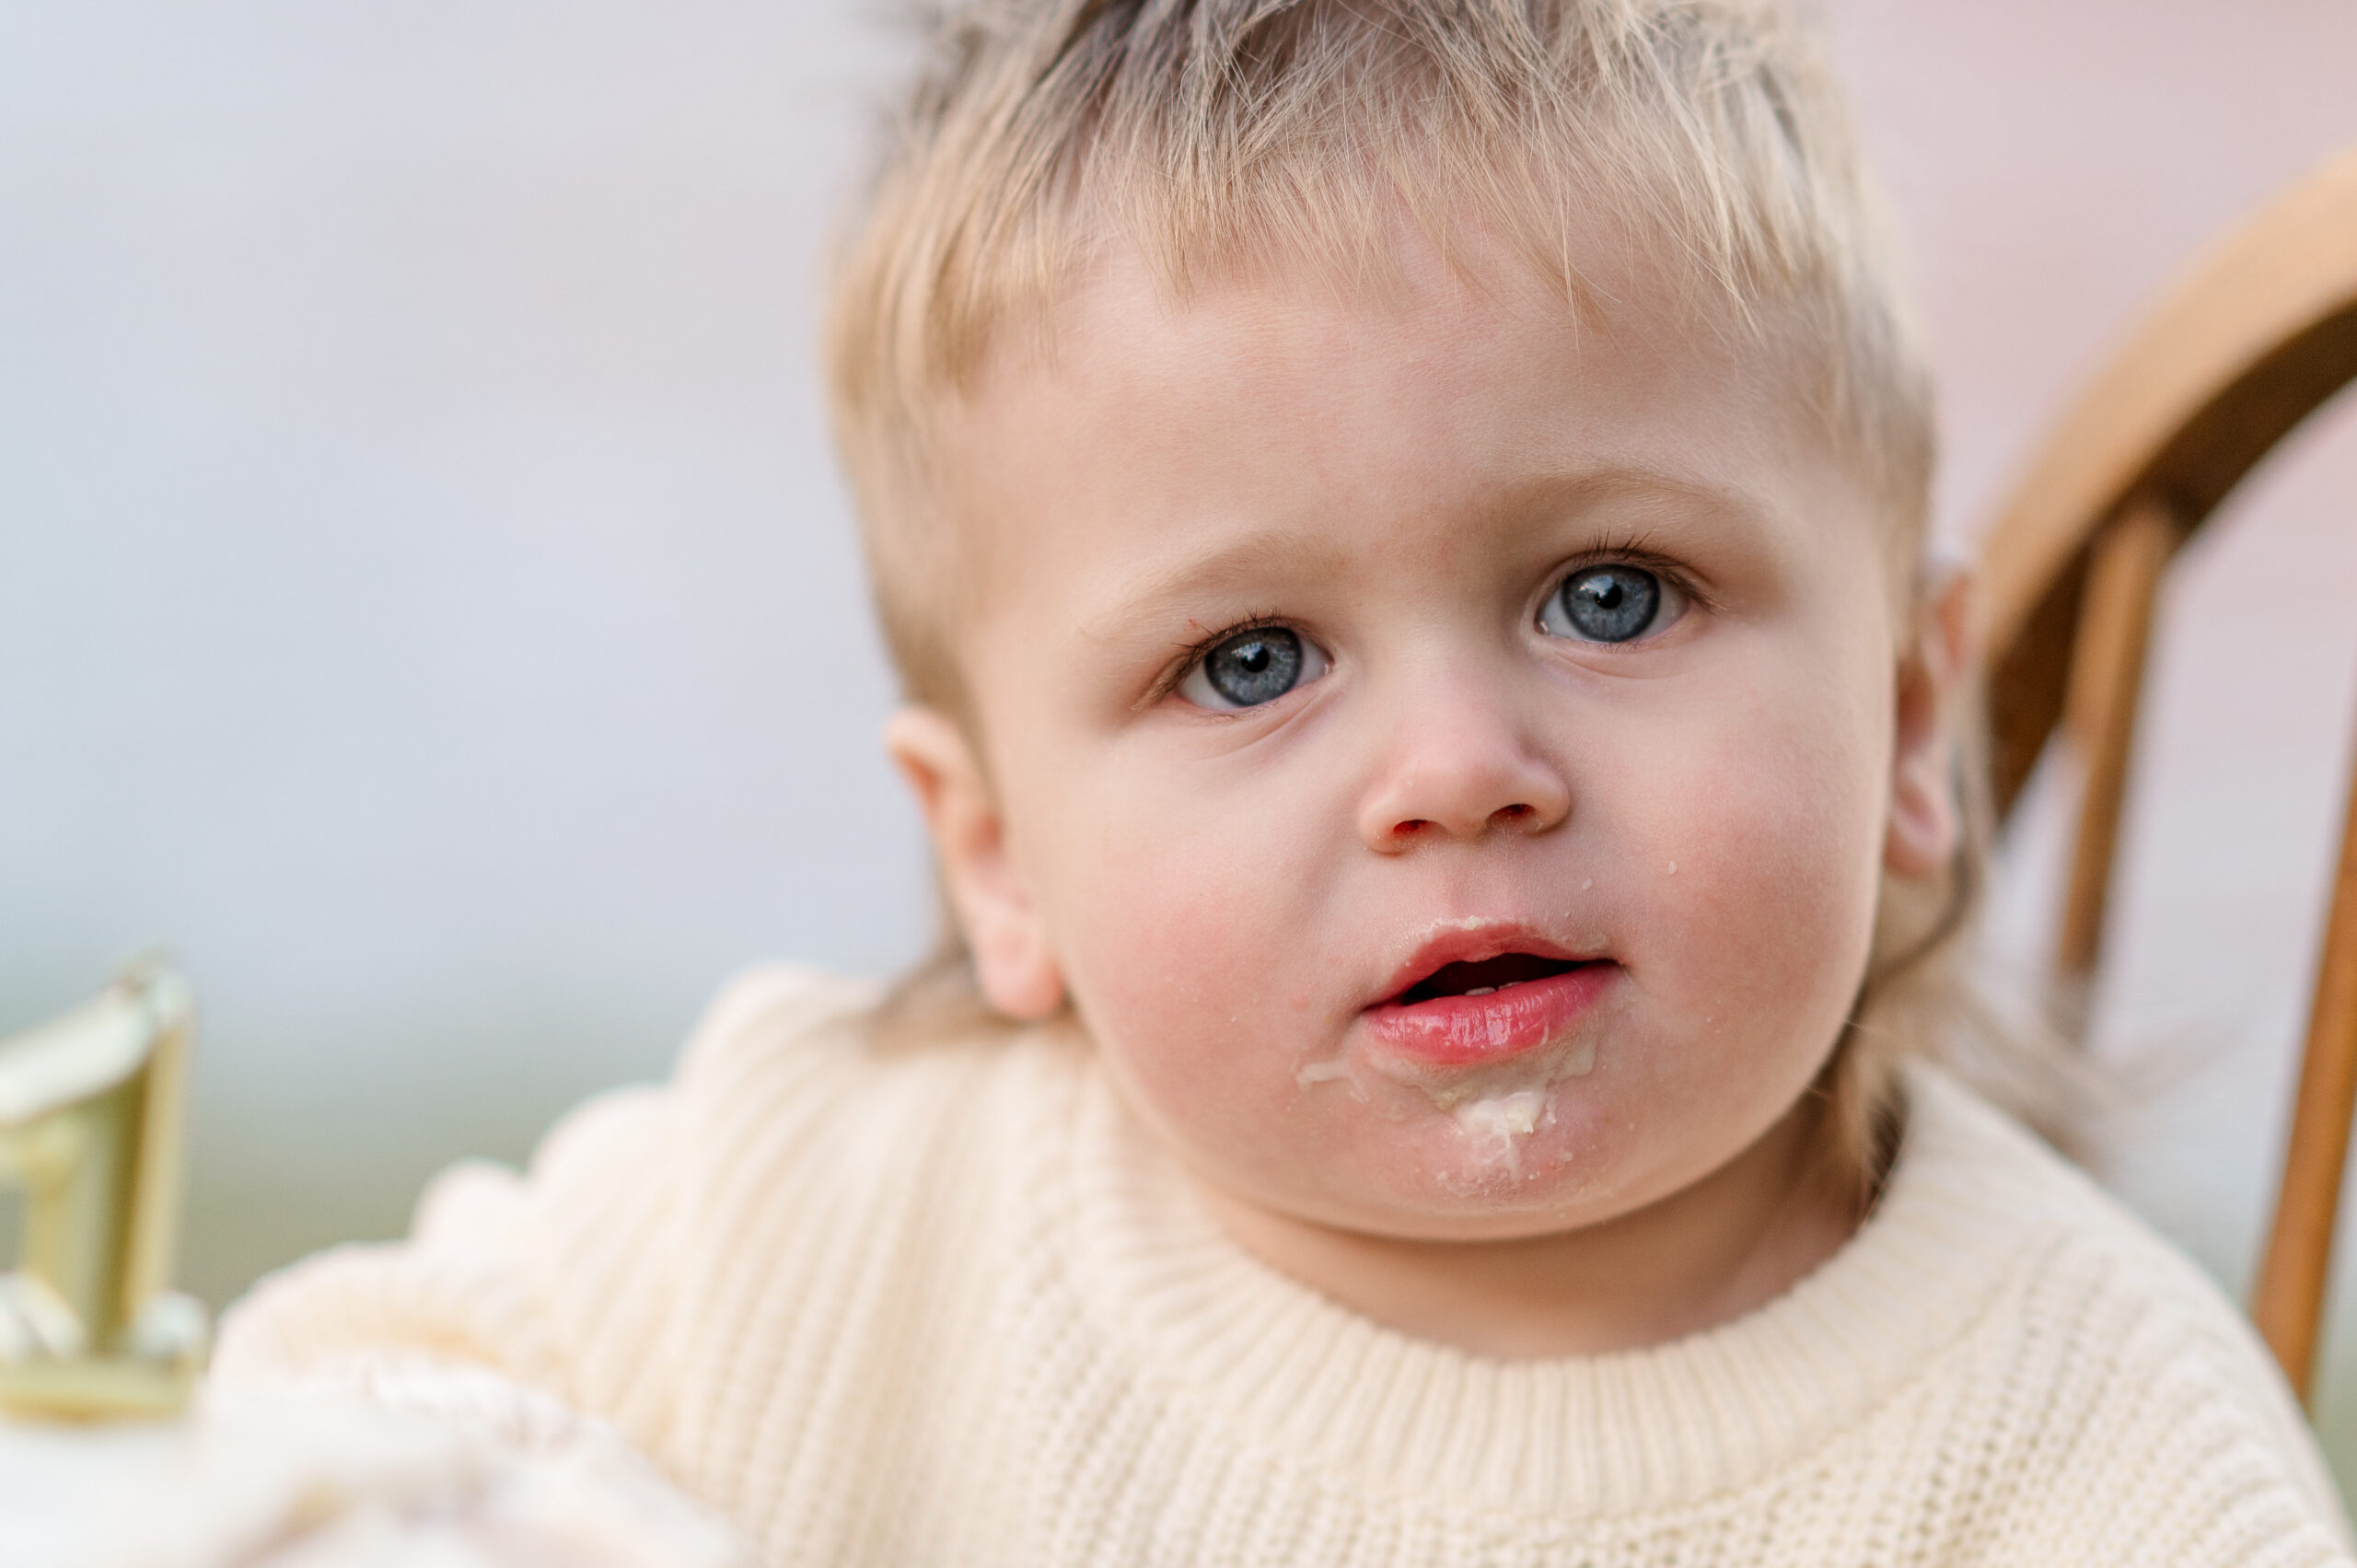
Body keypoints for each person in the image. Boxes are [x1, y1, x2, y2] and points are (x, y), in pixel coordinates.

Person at [210, 1, 2354, 1562]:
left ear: (1901, 723)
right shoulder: (818, 1217)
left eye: (1610, 596)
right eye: (1247, 661)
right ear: (994, 858)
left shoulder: (2092, 1467)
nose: (1452, 774)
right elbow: (310, 1426)